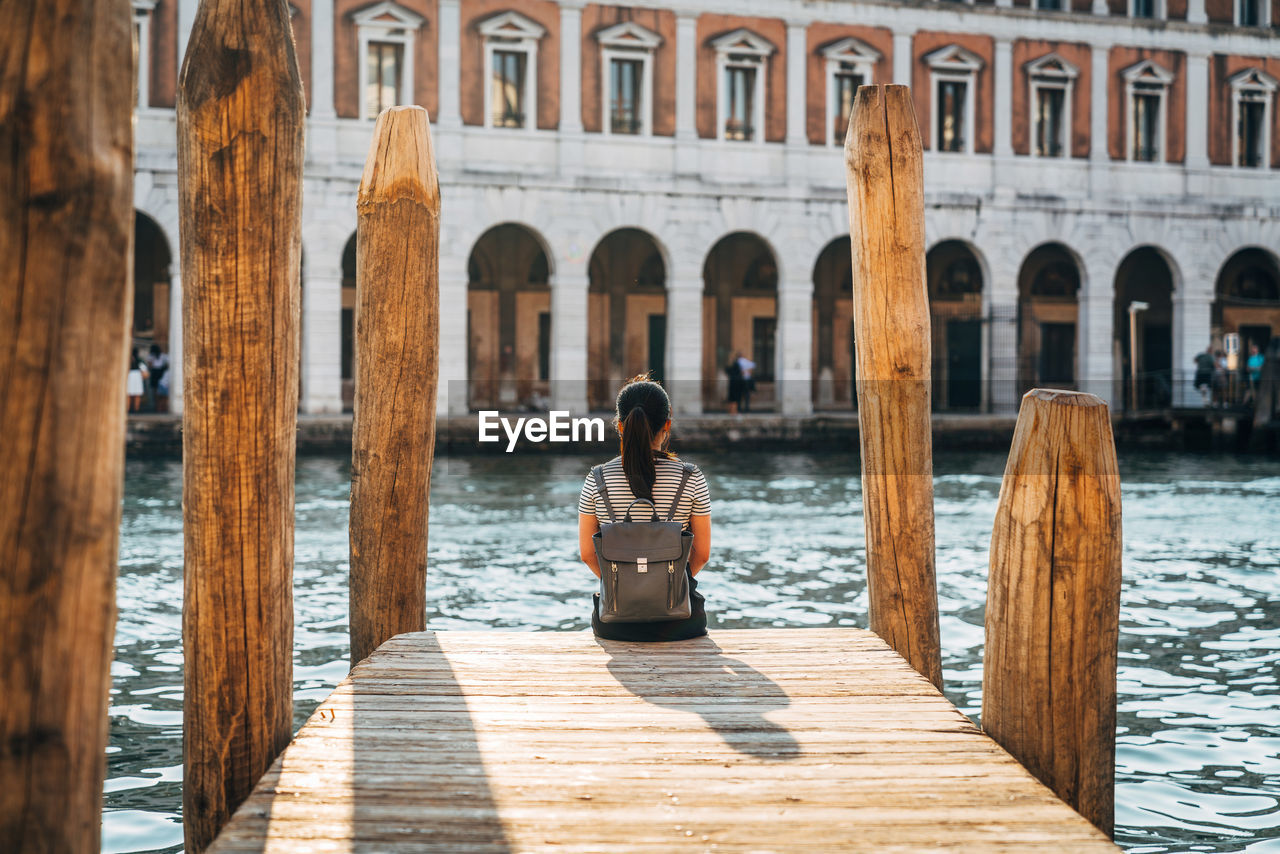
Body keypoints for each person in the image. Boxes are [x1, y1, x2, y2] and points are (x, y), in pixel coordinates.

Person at [578, 376, 712, 642]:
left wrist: (625, 585)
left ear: (619, 426)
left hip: (615, 624)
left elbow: (587, 554)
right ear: (667, 425)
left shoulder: (597, 478)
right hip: (681, 622)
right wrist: (667, 586)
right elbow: (702, 554)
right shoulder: (691, 477)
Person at [147, 344, 170, 412]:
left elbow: (150, 365)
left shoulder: (151, 356)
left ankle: (157, 406)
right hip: (161, 372)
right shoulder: (163, 355)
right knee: (161, 390)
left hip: (154, 372)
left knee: (155, 390)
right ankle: (162, 406)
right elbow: (167, 363)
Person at [126, 347, 148, 412]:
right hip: (137, 376)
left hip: (129, 376)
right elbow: (144, 371)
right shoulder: (139, 360)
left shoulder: (128, 360)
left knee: (129, 394)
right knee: (136, 394)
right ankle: (136, 409)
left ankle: (128, 408)